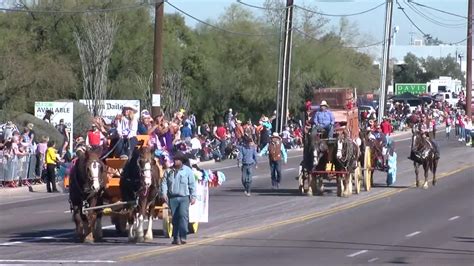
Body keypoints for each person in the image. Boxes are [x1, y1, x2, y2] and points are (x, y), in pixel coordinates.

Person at [160, 153, 196, 245]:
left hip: (184, 197)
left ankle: (183, 237)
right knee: (175, 218)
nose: (175, 161)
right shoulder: (169, 171)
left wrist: (193, 196)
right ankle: (176, 238)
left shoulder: (187, 171)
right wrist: (164, 193)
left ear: (181, 161)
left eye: (177, 160)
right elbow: (164, 183)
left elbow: (192, 184)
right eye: (175, 159)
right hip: (172, 198)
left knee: (183, 216)